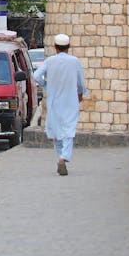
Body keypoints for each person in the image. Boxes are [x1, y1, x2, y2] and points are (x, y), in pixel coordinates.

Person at [33, 32, 86, 176]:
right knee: (69, 130)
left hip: (54, 101)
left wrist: (46, 85)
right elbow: (80, 81)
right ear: (68, 47)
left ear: (55, 47)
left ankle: (60, 157)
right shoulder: (74, 61)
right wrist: (80, 93)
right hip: (70, 100)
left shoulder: (50, 61)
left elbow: (36, 76)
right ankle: (63, 158)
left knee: (56, 131)